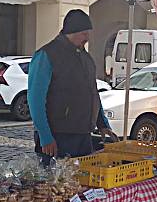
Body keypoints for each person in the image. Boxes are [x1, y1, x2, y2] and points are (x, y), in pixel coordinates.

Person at [27, 9, 117, 158]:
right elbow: (35, 99)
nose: (87, 37)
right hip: (57, 135)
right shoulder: (47, 55)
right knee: (54, 180)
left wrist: (102, 124)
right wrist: (45, 136)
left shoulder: (85, 57)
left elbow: (92, 93)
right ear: (72, 31)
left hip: (83, 134)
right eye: (84, 33)